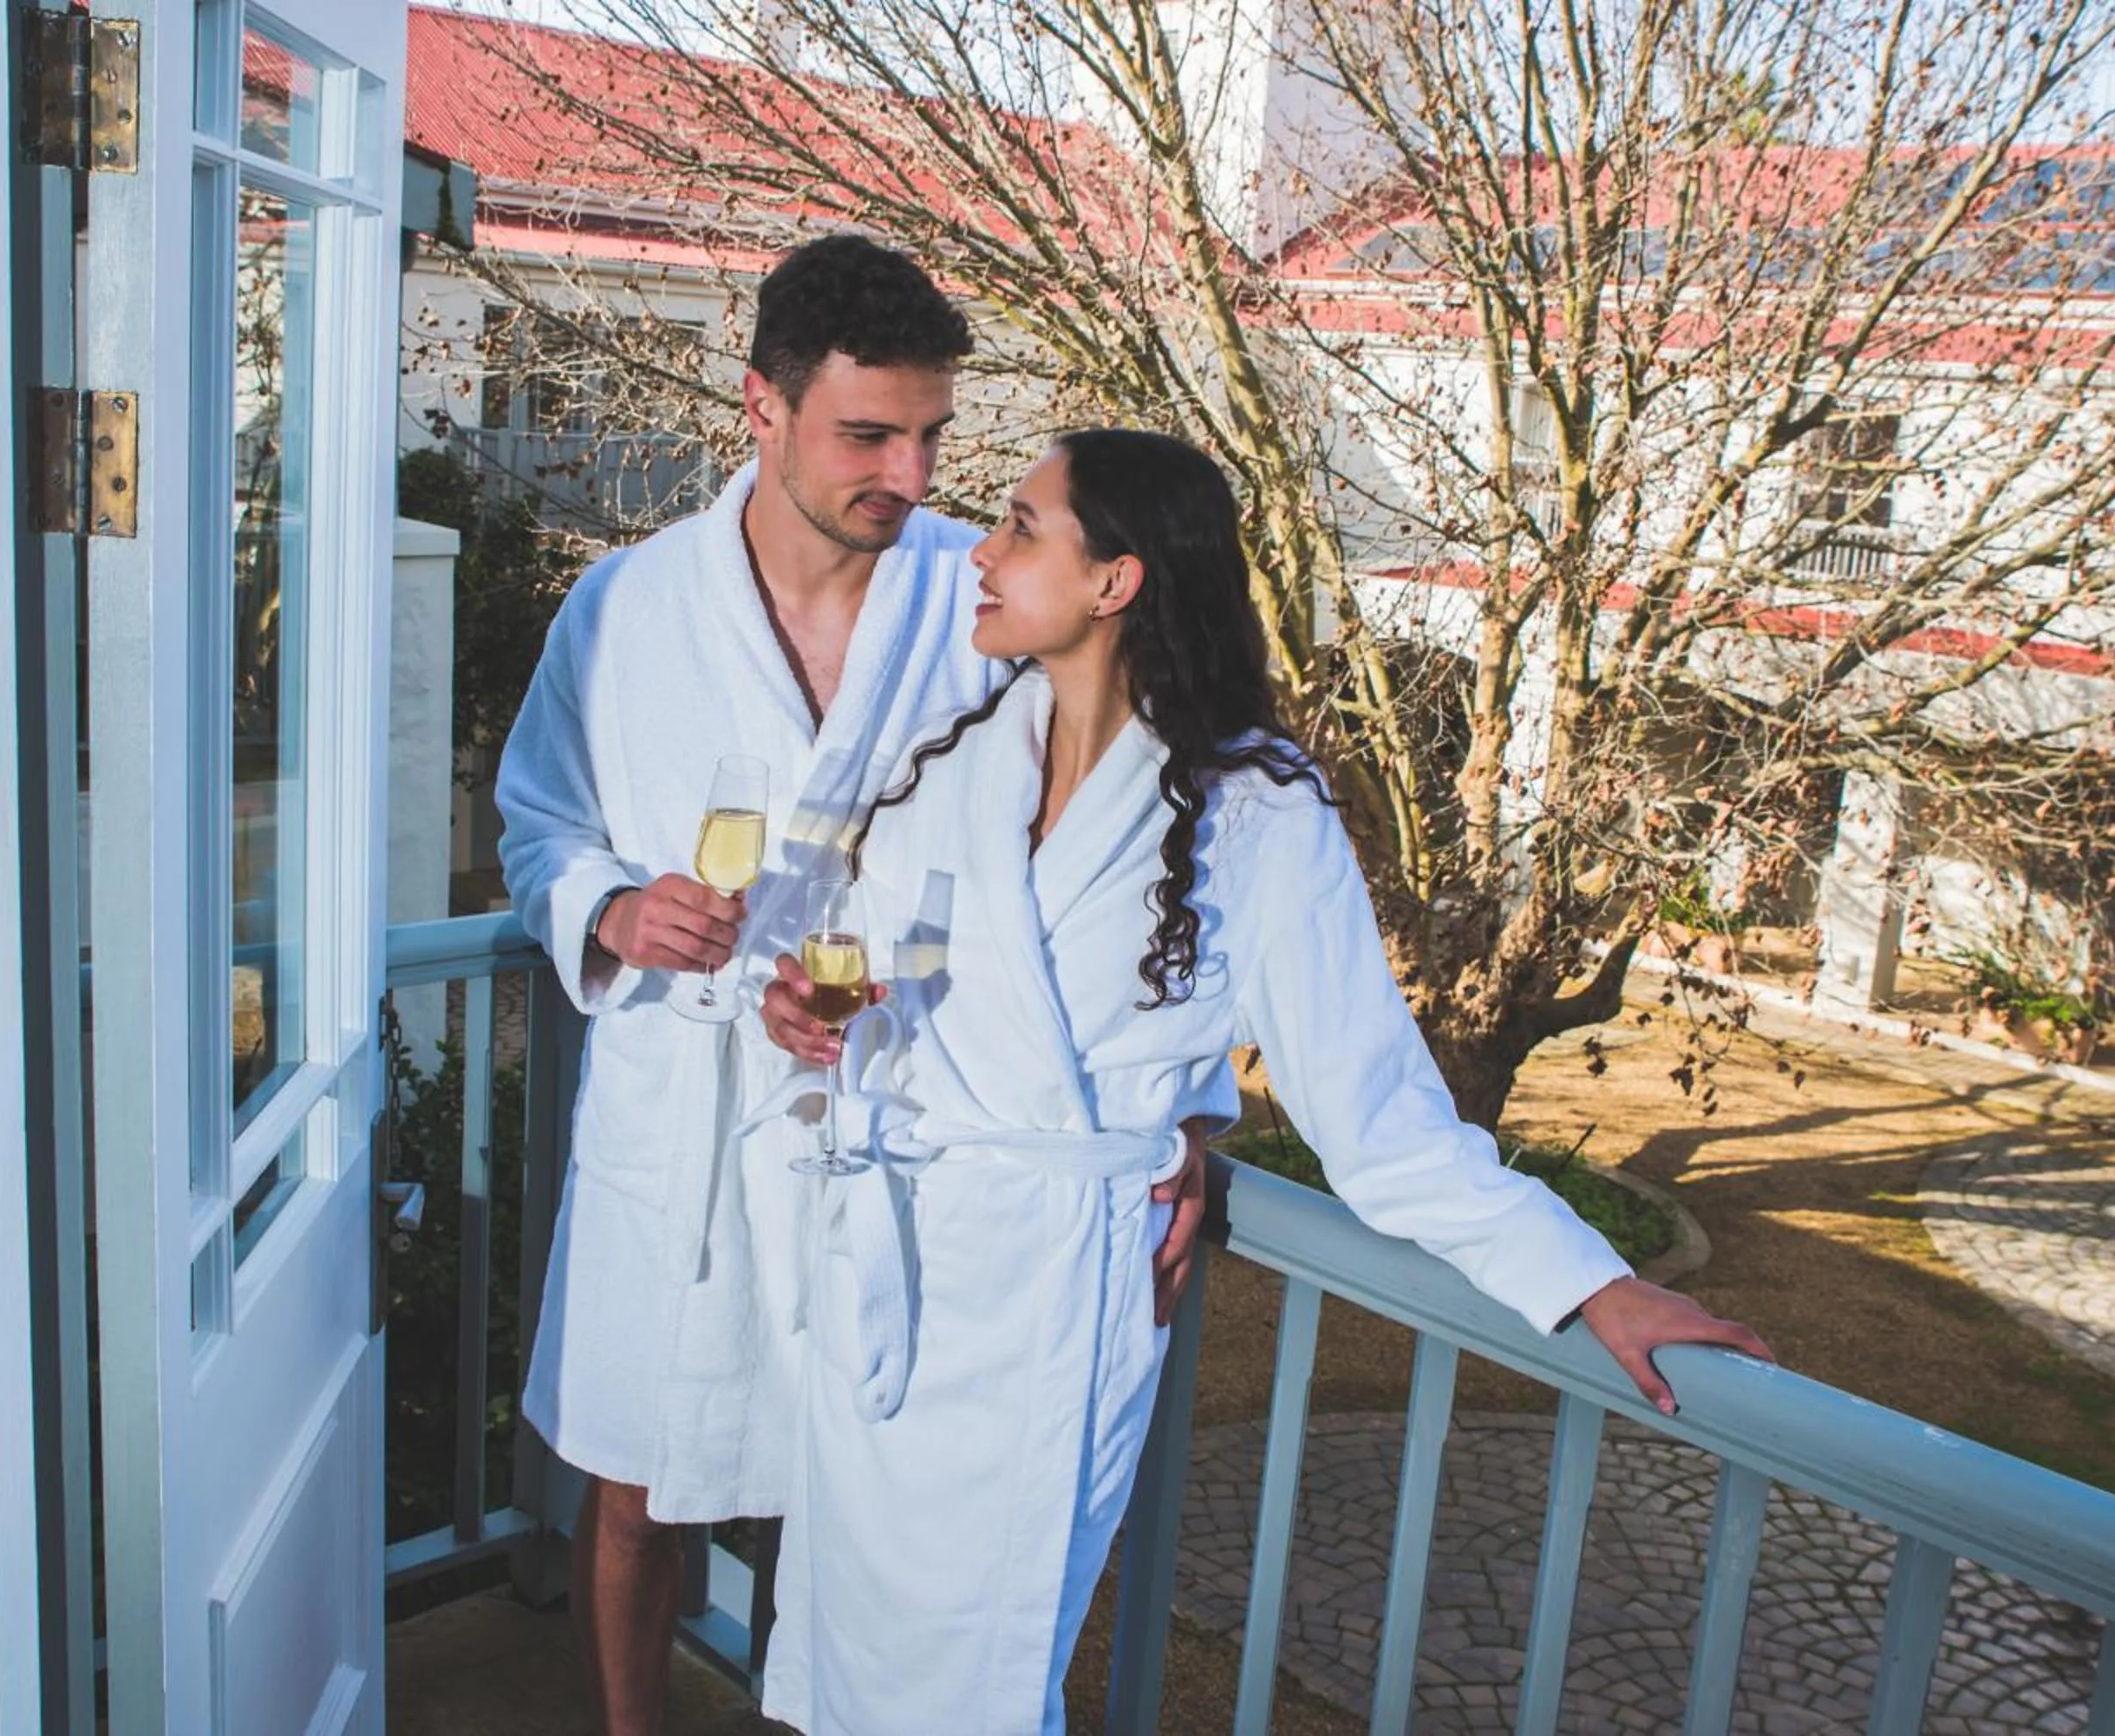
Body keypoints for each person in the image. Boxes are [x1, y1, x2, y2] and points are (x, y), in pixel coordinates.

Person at [754, 429, 1774, 1736]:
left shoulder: (1257, 812)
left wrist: (1590, 1279)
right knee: (850, 1655)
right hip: (893, 1264)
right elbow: (886, 974)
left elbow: (1382, 1118)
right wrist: (816, 1011)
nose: (982, 554)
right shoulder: (962, 756)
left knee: (975, 1683)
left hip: (1044, 1301)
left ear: (1117, 579)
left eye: (1017, 526)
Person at [493, 245, 1208, 1736]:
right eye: (868, 434)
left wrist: (1186, 1114)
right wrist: (612, 906)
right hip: (679, 1108)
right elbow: (537, 817)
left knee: (863, 1483)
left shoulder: (987, 602)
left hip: (891, 1106)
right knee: (637, 1475)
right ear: (762, 403)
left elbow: (1132, 844)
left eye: (934, 435)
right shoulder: (624, 609)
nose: (910, 469)